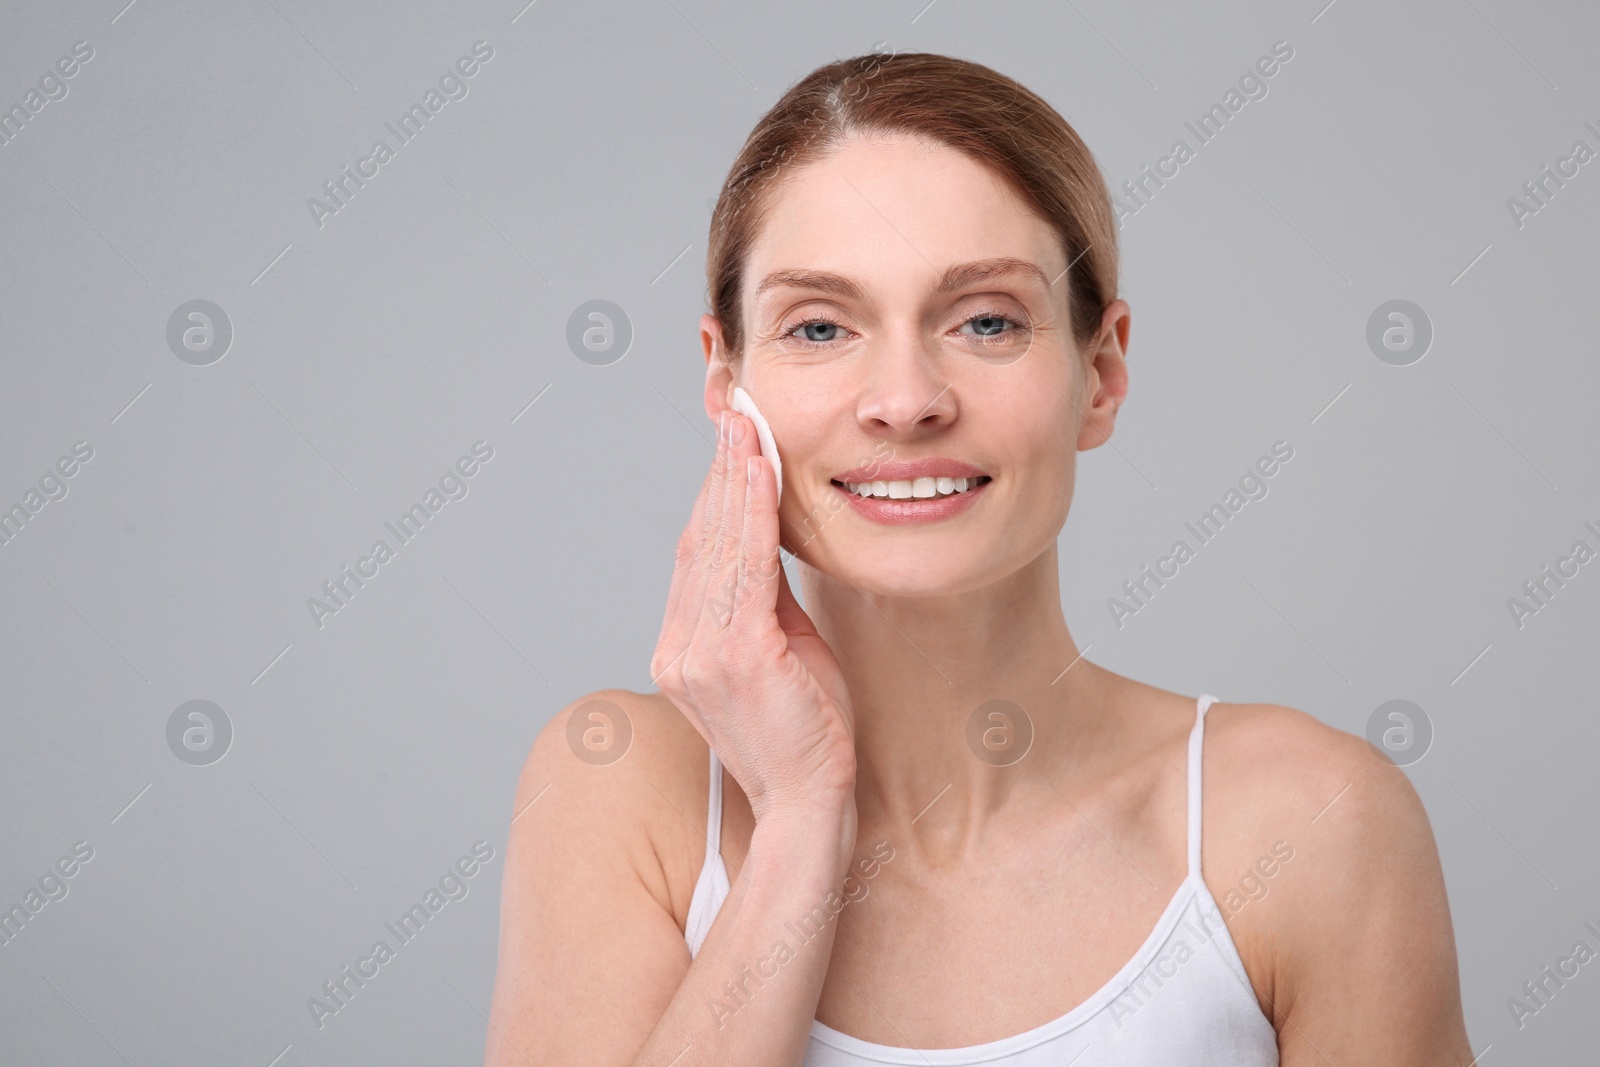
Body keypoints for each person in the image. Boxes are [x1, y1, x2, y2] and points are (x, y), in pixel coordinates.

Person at [484, 51, 1473, 1066]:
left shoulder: (1307, 821)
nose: (905, 397)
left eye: (986, 320)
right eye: (819, 325)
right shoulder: (619, 792)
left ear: (1102, 370)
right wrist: (798, 820)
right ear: (723, 378)